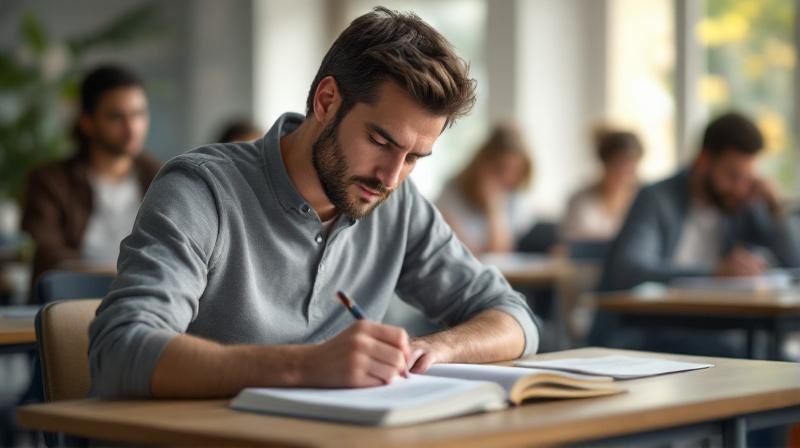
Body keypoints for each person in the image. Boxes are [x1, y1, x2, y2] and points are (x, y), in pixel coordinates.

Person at [88, 7, 540, 398]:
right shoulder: (202, 189)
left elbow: (514, 318)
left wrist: (433, 349)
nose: (390, 177)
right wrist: (305, 367)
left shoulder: (397, 204)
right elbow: (119, 349)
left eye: (414, 158)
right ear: (326, 101)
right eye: (380, 140)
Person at [591, 112, 800, 354]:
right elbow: (628, 268)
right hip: (646, 332)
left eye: (748, 178)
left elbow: (794, 263)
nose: (740, 187)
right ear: (703, 160)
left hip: (714, 328)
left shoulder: (738, 204)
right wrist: (716, 272)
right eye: (732, 176)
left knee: (781, 361)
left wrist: (775, 210)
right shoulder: (657, 199)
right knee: (752, 355)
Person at [21, 65, 161, 290]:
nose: (132, 128)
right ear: (87, 122)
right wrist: (117, 275)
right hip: (71, 298)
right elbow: (49, 254)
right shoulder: (51, 181)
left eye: (139, 114)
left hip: (144, 300)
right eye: (117, 117)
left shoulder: (161, 177)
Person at [436, 123, 534, 255]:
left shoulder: (514, 198)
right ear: (482, 164)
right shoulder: (452, 192)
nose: (507, 178)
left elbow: (500, 252)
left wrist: (493, 209)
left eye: (515, 171)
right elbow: (464, 253)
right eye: (500, 168)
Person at [561, 128, 642, 242]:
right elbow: (567, 245)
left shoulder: (644, 200)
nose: (624, 174)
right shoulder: (580, 201)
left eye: (630, 167)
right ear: (605, 164)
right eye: (618, 165)